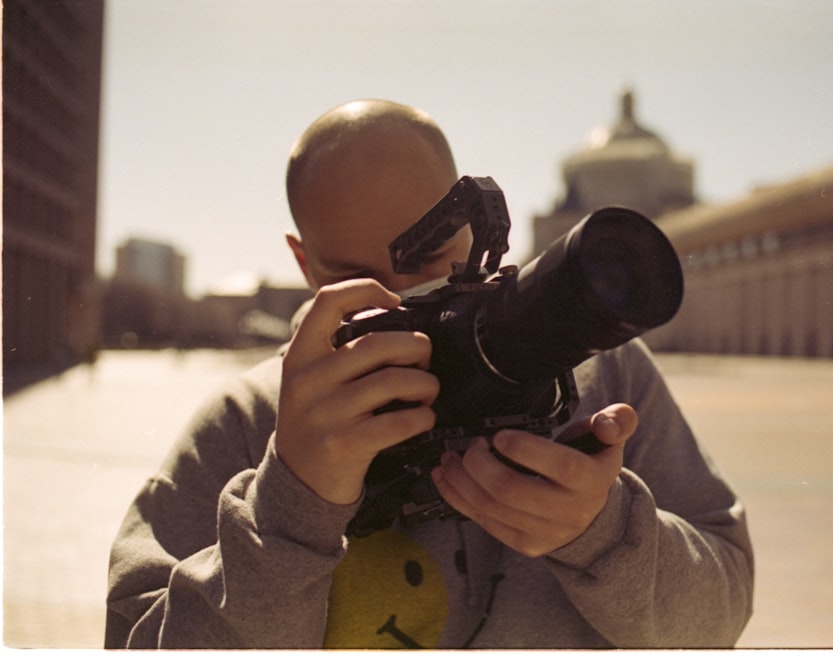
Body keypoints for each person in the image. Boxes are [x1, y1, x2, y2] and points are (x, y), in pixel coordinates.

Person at [104, 99, 754, 649]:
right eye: (353, 279)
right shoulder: (251, 418)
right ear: (305, 264)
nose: (403, 304)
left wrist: (605, 534)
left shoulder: (599, 371)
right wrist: (289, 507)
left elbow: (724, 607)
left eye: (429, 261)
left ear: (475, 230)